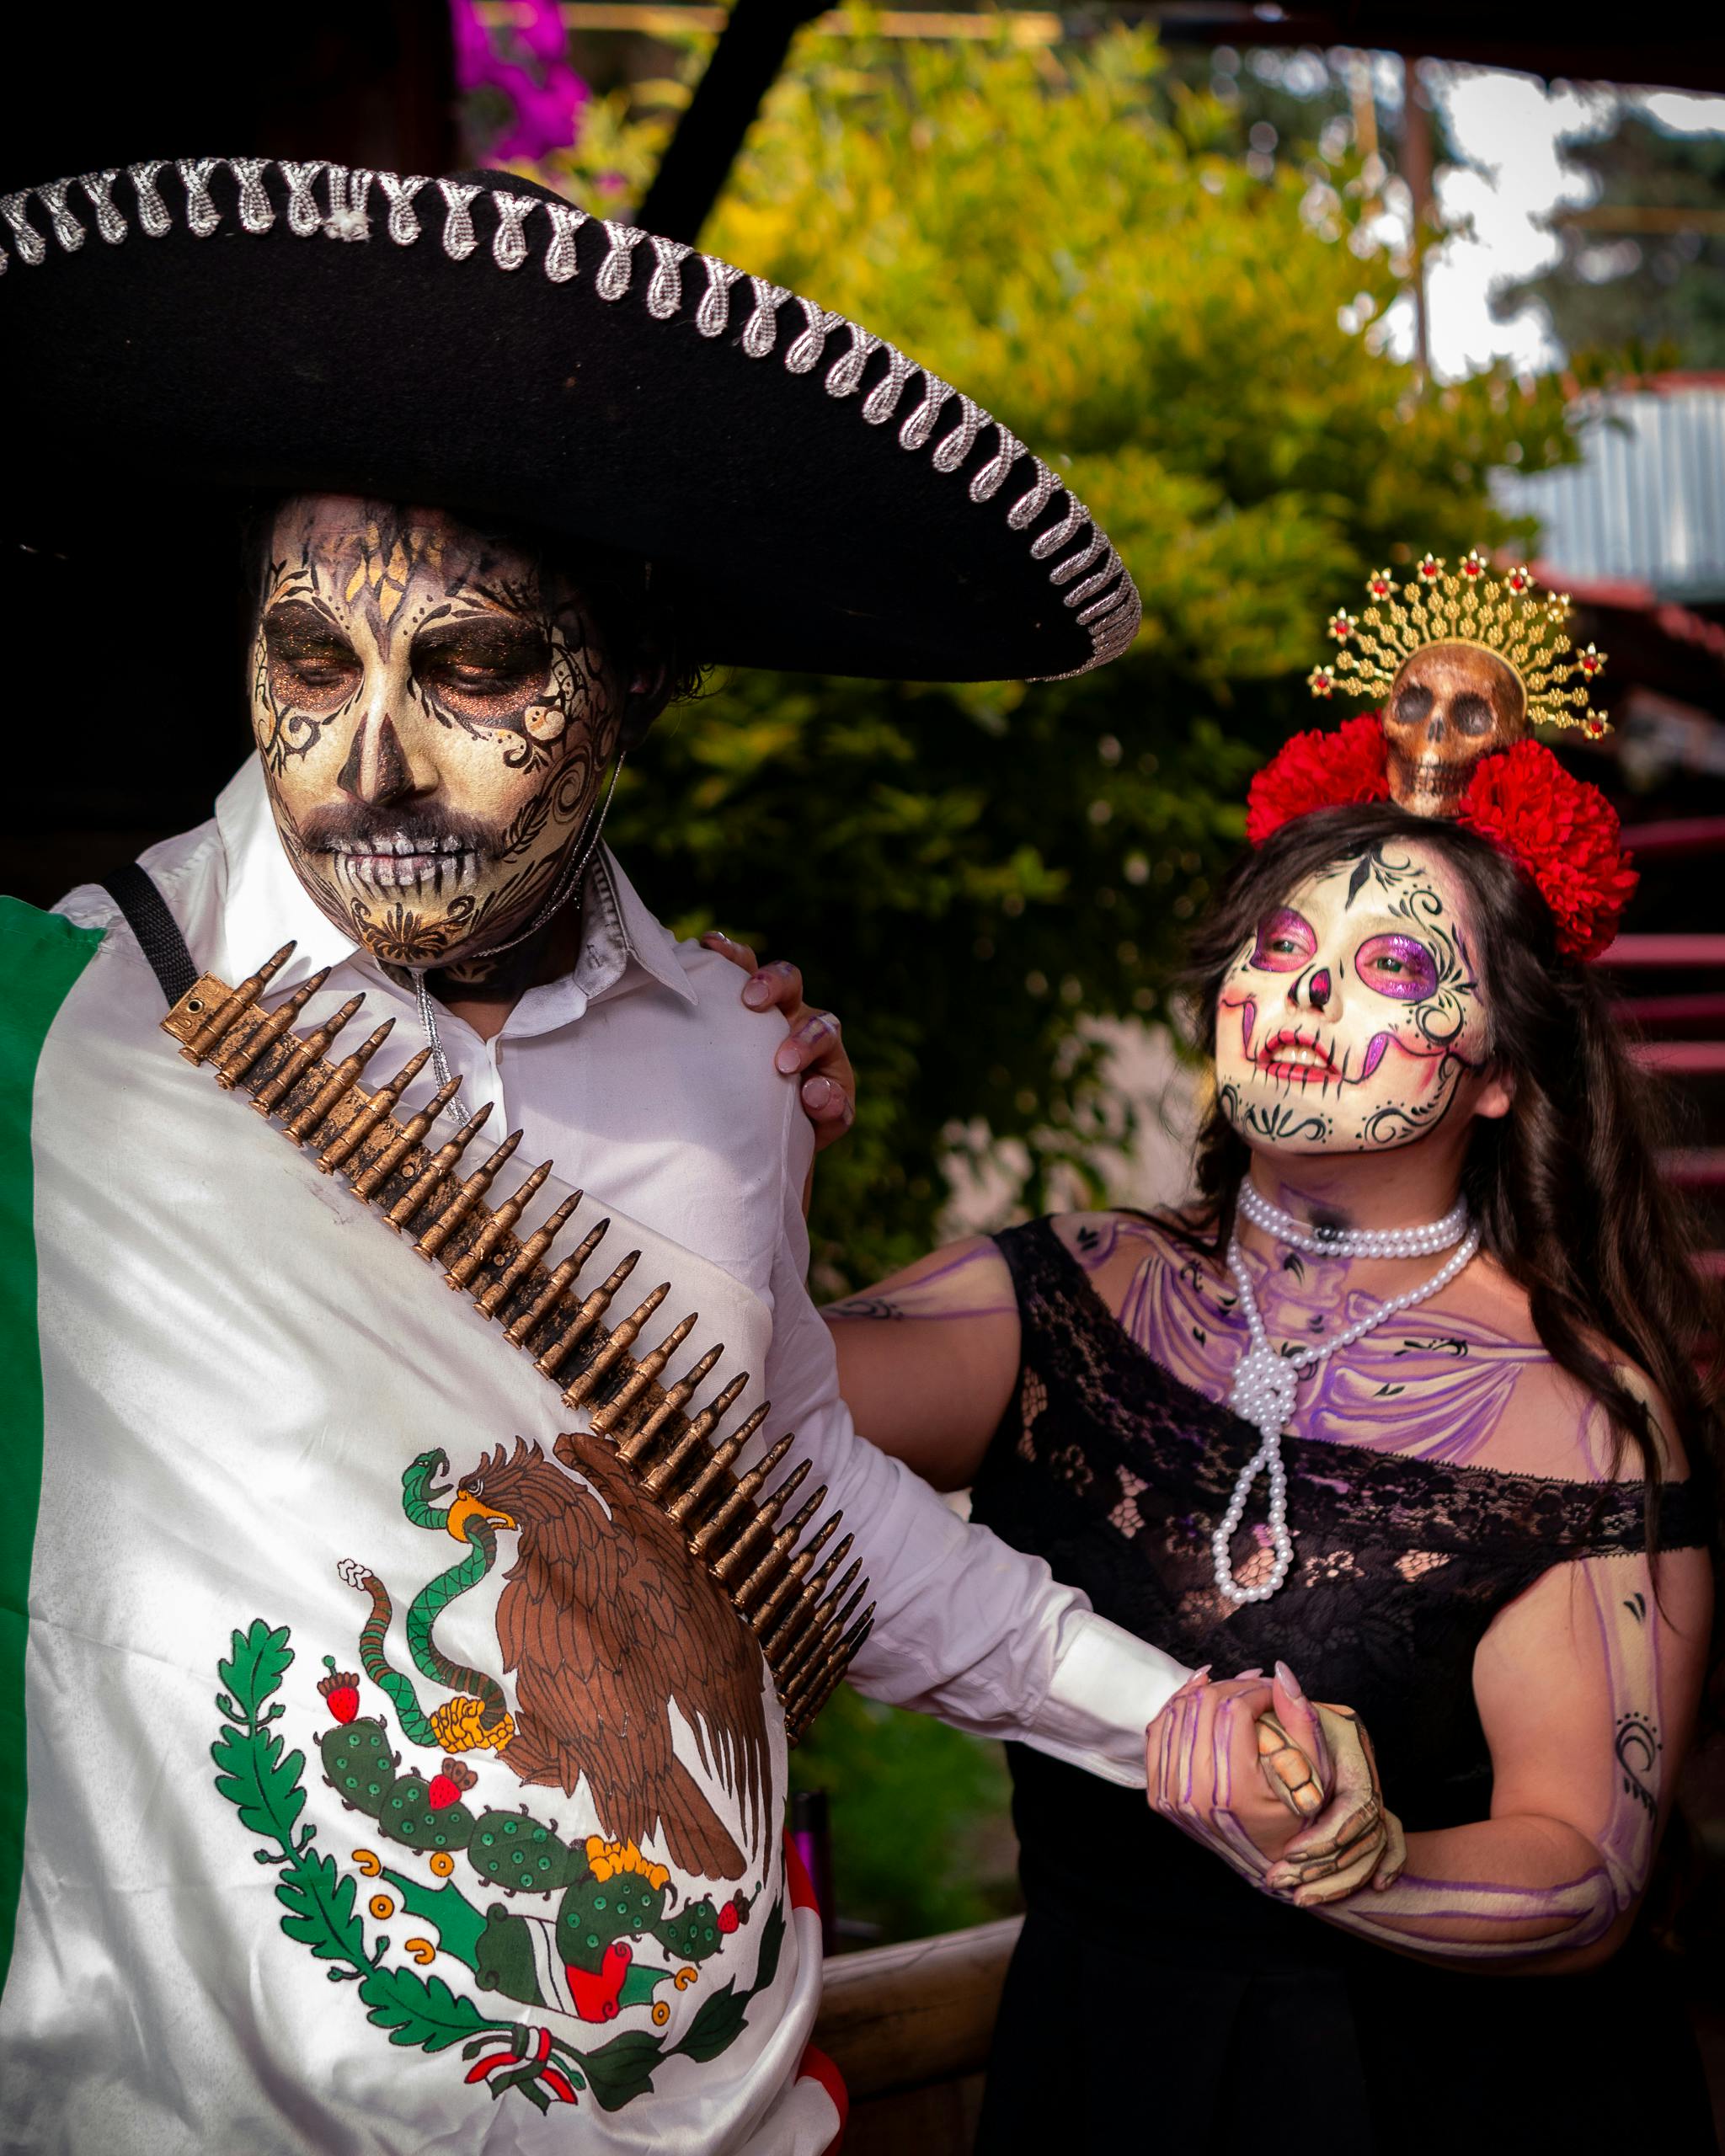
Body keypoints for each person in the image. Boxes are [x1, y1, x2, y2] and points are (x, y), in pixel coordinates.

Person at [0, 157, 1378, 2153]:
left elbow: (783, 1483)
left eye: (472, 668)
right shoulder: (60, 1034)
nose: (370, 756)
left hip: (721, 2113)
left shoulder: (731, 1063)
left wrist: (1152, 1706)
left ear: (642, 674)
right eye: (311, 663)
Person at [736, 555, 1722, 2152]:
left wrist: (1359, 1853)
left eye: (1392, 969)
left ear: (1496, 1074)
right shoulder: (1075, 1290)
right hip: (1108, 2069)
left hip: (1452, 2109)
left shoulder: (1576, 1413)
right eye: (1281, 946)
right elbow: (726, 1419)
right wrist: (744, 1140)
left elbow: (1587, 1865)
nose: (1304, 997)